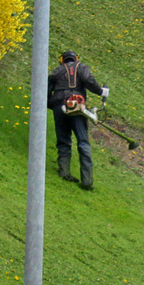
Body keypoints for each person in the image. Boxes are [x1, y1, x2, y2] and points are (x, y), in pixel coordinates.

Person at [47, 50, 109, 190]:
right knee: (83, 141)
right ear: (76, 59)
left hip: (58, 107)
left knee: (63, 140)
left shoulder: (56, 71)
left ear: (62, 60)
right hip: (77, 106)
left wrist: (52, 105)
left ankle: (64, 172)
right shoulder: (81, 68)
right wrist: (101, 91)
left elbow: (47, 90)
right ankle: (87, 181)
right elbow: (89, 81)